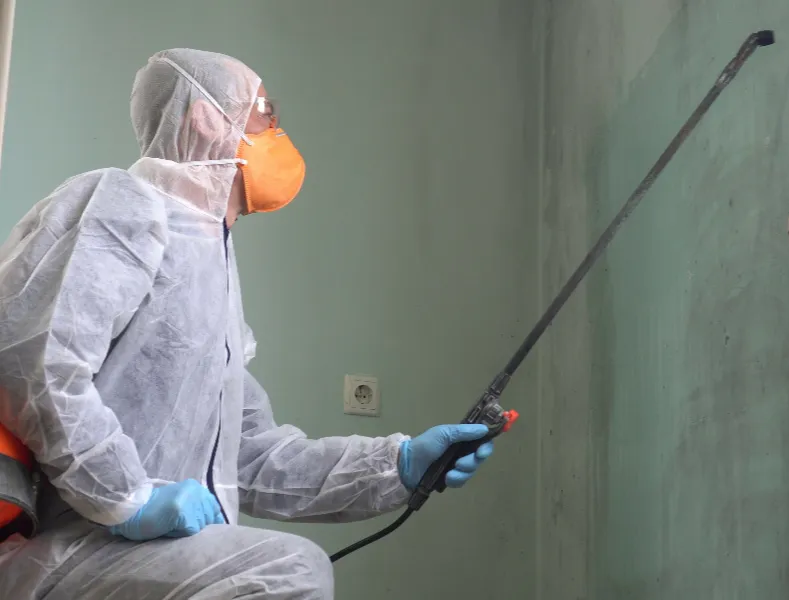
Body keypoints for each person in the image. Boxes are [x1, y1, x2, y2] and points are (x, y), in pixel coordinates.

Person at [0, 49, 494, 599]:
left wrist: (397, 465)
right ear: (206, 117)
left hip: (140, 559)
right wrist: (129, 501)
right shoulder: (124, 205)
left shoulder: (212, 266)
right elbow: (35, 362)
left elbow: (249, 458)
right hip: (67, 548)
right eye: (266, 112)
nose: (278, 130)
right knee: (286, 571)